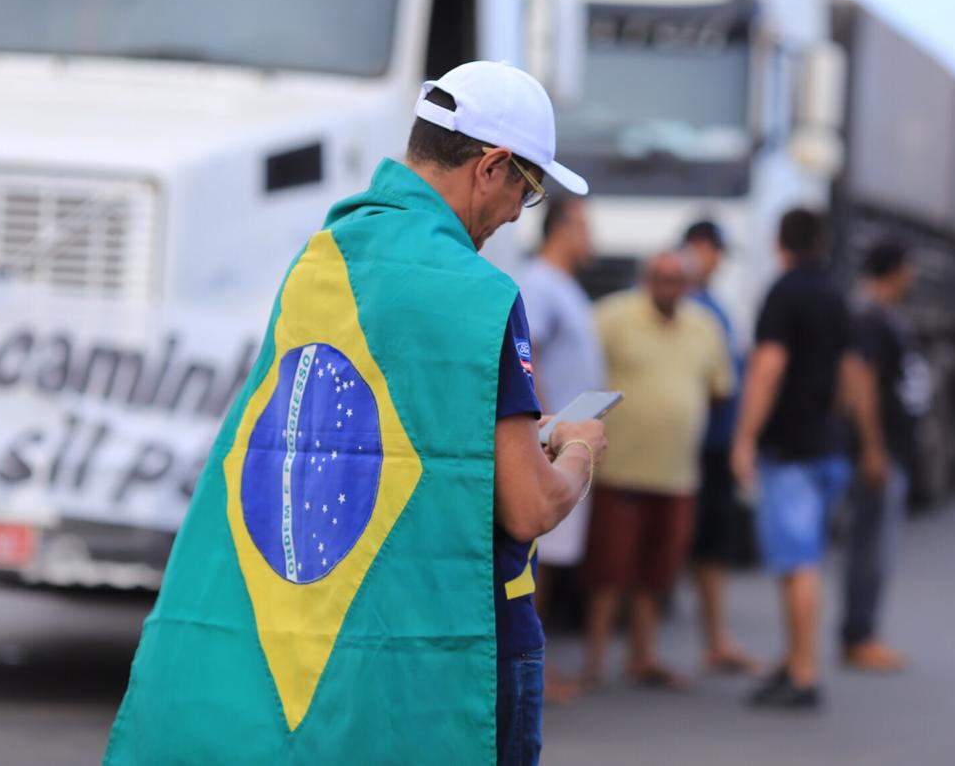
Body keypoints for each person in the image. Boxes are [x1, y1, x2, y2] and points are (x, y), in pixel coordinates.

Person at [105, 61, 608, 766]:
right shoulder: (481, 293)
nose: (513, 217)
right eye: (526, 192)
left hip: (328, 639)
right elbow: (527, 506)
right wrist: (579, 448)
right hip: (459, 636)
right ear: (490, 167)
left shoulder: (319, 261)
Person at [731, 208, 885, 710]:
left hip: (790, 450)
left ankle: (802, 673)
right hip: (826, 447)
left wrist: (744, 437)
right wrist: (854, 434)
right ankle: (795, 657)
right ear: (821, 242)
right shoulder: (836, 295)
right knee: (802, 558)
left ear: (781, 242)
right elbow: (853, 371)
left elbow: (767, 368)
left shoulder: (784, 292)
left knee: (797, 563)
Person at [583, 251, 734, 690]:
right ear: (647, 279)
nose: (668, 287)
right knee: (608, 571)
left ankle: (642, 657)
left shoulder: (705, 327)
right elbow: (581, 371)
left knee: (656, 572)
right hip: (622, 470)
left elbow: (720, 389)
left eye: (677, 280)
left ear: (688, 284)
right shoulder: (613, 317)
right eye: (661, 278)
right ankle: (594, 662)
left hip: (676, 474)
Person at [516, 196, 607, 702]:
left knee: (548, 565)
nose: (592, 239)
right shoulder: (540, 284)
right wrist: (549, 434)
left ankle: (537, 671)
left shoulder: (563, 286)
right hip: (552, 447)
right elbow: (527, 363)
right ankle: (534, 676)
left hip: (566, 443)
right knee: (538, 564)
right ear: (562, 228)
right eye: (585, 228)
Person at [840, 240, 926, 673]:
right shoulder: (869, 316)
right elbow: (861, 379)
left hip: (894, 448)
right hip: (881, 450)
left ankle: (864, 631)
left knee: (878, 544)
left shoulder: (883, 314)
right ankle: (860, 635)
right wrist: (873, 448)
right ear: (894, 269)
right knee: (871, 546)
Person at [681, 220, 759, 675]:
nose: (714, 261)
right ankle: (643, 648)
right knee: (677, 544)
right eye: (709, 251)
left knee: (713, 545)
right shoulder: (680, 303)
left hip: (715, 443)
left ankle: (715, 639)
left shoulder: (714, 306)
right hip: (689, 445)